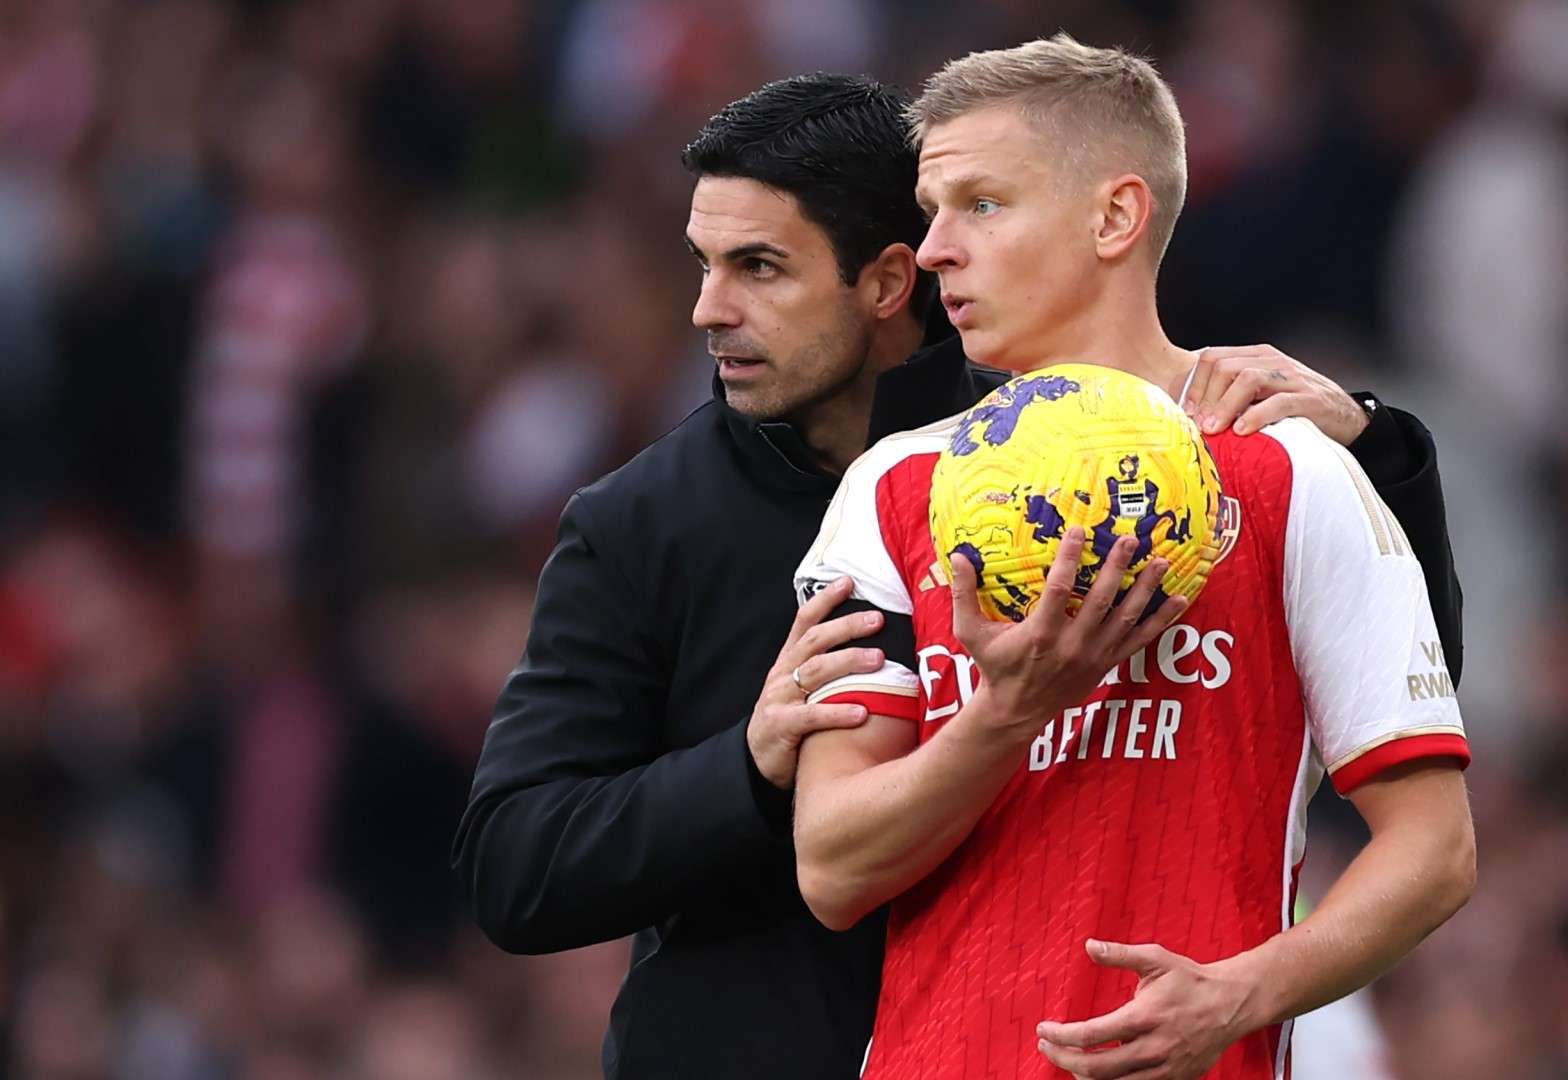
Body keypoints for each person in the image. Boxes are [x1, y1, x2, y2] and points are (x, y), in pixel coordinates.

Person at [453, 73, 1465, 1080]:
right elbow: (517, 862)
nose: (707, 311)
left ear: (889, 283)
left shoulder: (1100, 457)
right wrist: (750, 765)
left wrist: (1378, 457)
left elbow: (1373, 696)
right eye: (703, 264)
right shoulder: (646, 522)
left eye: (758, 267)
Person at [791, 37, 1475, 1080]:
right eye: (931, 211)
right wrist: (1007, 712)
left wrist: (1241, 995)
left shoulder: (1292, 472)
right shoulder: (890, 488)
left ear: (1115, 216)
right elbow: (831, 865)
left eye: (980, 204)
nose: (932, 250)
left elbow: (1435, 852)